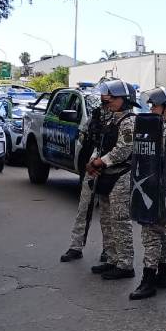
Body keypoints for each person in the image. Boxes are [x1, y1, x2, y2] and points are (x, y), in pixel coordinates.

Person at [128, 87, 166, 300]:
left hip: (157, 189)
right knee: (161, 231)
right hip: (160, 189)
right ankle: (164, 273)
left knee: (150, 233)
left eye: (155, 106)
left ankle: (148, 279)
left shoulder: (165, 132)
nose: (151, 109)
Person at [86, 79, 138, 280]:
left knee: (120, 221)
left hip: (121, 175)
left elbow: (123, 150)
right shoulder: (112, 119)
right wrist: (93, 162)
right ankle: (112, 259)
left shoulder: (129, 121)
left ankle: (125, 264)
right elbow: (101, 144)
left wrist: (100, 162)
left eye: (114, 98)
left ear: (125, 99)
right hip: (106, 175)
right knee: (106, 220)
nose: (109, 101)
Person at [60, 98, 108, 263]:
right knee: (83, 209)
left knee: (108, 215)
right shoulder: (96, 116)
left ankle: (109, 249)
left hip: (112, 170)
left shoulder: (124, 119)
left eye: (109, 97)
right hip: (91, 168)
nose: (105, 102)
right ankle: (76, 246)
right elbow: (83, 138)